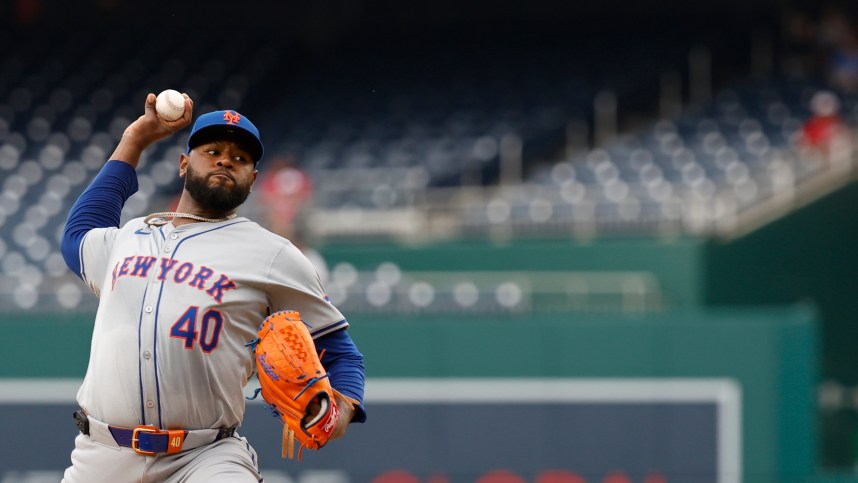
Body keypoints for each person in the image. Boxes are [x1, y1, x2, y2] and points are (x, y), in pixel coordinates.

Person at [59, 93, 366, 482]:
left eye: (240, 158)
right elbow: (78, 235)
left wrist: (342, 409)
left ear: (253, 181)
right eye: (213, 150)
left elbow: (341, 353)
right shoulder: (132, 235)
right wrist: (135, 139)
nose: (226, 160)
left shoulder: (273, 255)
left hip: (205, 456)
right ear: (184, 164)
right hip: (101, 456)